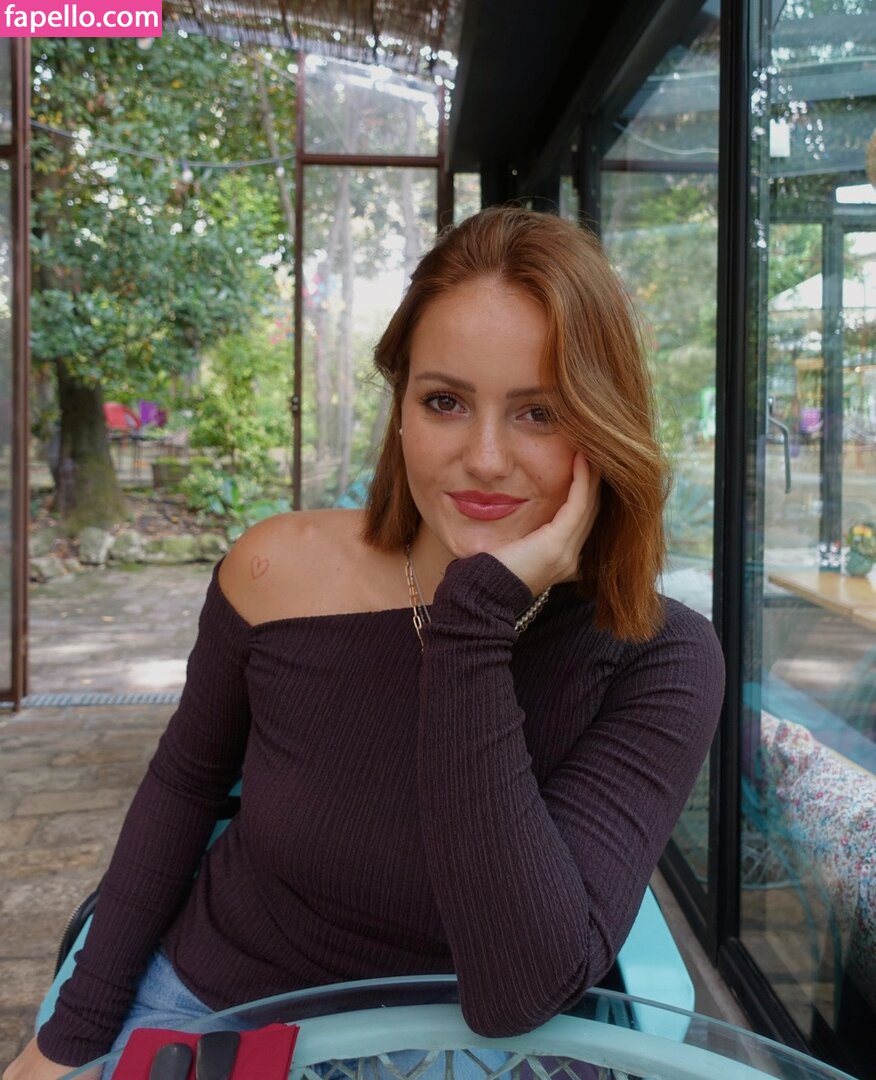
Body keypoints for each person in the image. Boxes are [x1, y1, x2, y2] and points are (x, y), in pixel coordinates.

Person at [5, 206, 725, 1079]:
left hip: (481, 1053)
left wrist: (473, 624)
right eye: (445, 402)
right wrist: (71, 1034)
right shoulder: (276, 571)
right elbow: (184, 786)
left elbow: (519, 988)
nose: (485, 458)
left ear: (605, 424)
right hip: (215, 1010)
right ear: (401, 407)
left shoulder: (660, 656)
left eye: (539, 412)